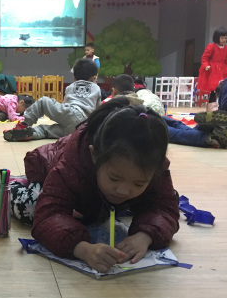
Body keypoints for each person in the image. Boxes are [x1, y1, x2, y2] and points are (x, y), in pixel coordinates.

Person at [10, 98, 179, 272]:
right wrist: (82, 249)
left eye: (139, 183)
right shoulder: (72, 163)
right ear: (94, 155)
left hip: (93, 196)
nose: (123, 190)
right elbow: (47, 214)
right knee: (31, 207)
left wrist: (145, 235)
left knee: (171, 197)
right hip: (45, 166)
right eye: (114, 178)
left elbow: (165, 207)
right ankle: (14, 185)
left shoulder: (154, 163)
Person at [109, 75, 227, 149]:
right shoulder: (137, 95)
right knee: (178, 125)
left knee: (175, 134)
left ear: (114, 91)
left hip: (146, 122)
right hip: (153, 113)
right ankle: (203, 127)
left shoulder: (117, 101)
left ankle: (208, 137)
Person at [4, 58, 102, 141]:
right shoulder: (96, 88)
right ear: (93, 77)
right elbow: (97, 111)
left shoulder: (70, 87)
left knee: (44, 101)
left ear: (74, 78)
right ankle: (32, 134)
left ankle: (24, 125)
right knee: (47, 131)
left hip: (70, 113)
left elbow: (66, 104)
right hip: (80, 128)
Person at [196, 27, 227, 101]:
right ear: (217, 37)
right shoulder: (211, 46)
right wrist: (206, 65)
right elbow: (204, 58)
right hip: (213, 71)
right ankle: (212, 103)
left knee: (223, 87)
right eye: (222, 38)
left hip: (223, 70)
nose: (224, 40)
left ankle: (221, 103)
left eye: (226, 38)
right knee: (213, 87)